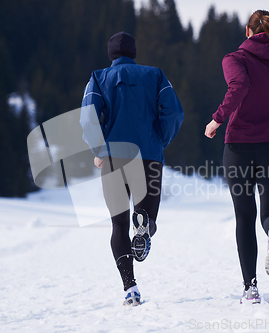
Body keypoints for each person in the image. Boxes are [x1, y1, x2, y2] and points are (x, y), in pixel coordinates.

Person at [204, 10, 269, 304]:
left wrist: (217, 120)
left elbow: (240, 87)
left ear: (248, 31)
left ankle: (251, 288)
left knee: (244, 216)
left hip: (239, 148)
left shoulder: (234, 59)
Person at [80, 31, 184, 306]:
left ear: (110, 54)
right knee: (147, 219)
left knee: (118, 224)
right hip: (148, 156)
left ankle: (130, 288)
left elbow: (88, 117)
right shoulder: (156, 75)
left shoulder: (98, 78)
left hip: (113, 158)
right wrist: (161, 139)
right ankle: (145, 224)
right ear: (134, 52)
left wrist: (98, 149)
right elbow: (173, 112)